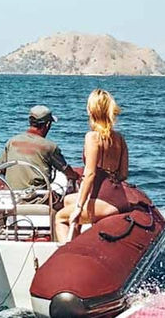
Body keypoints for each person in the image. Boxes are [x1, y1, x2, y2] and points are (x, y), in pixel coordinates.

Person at [54, 89, 130, 242]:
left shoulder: (92, 137)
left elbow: (90, 174)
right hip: (118, 197)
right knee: (68, 200)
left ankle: (67, 252)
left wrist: (79, 207)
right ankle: (77, 240)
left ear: (91, 110)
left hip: (105, 200)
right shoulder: (119, 138)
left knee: (60, 217)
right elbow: (123, 174)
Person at [0, 105, 80, 195]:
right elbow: (65, 169)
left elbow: (1, 168)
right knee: (66, 201)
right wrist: (75, 176)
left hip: (12, 196)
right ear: (47, 124)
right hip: (37, 197)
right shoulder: (49, 147)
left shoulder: (12, 141)